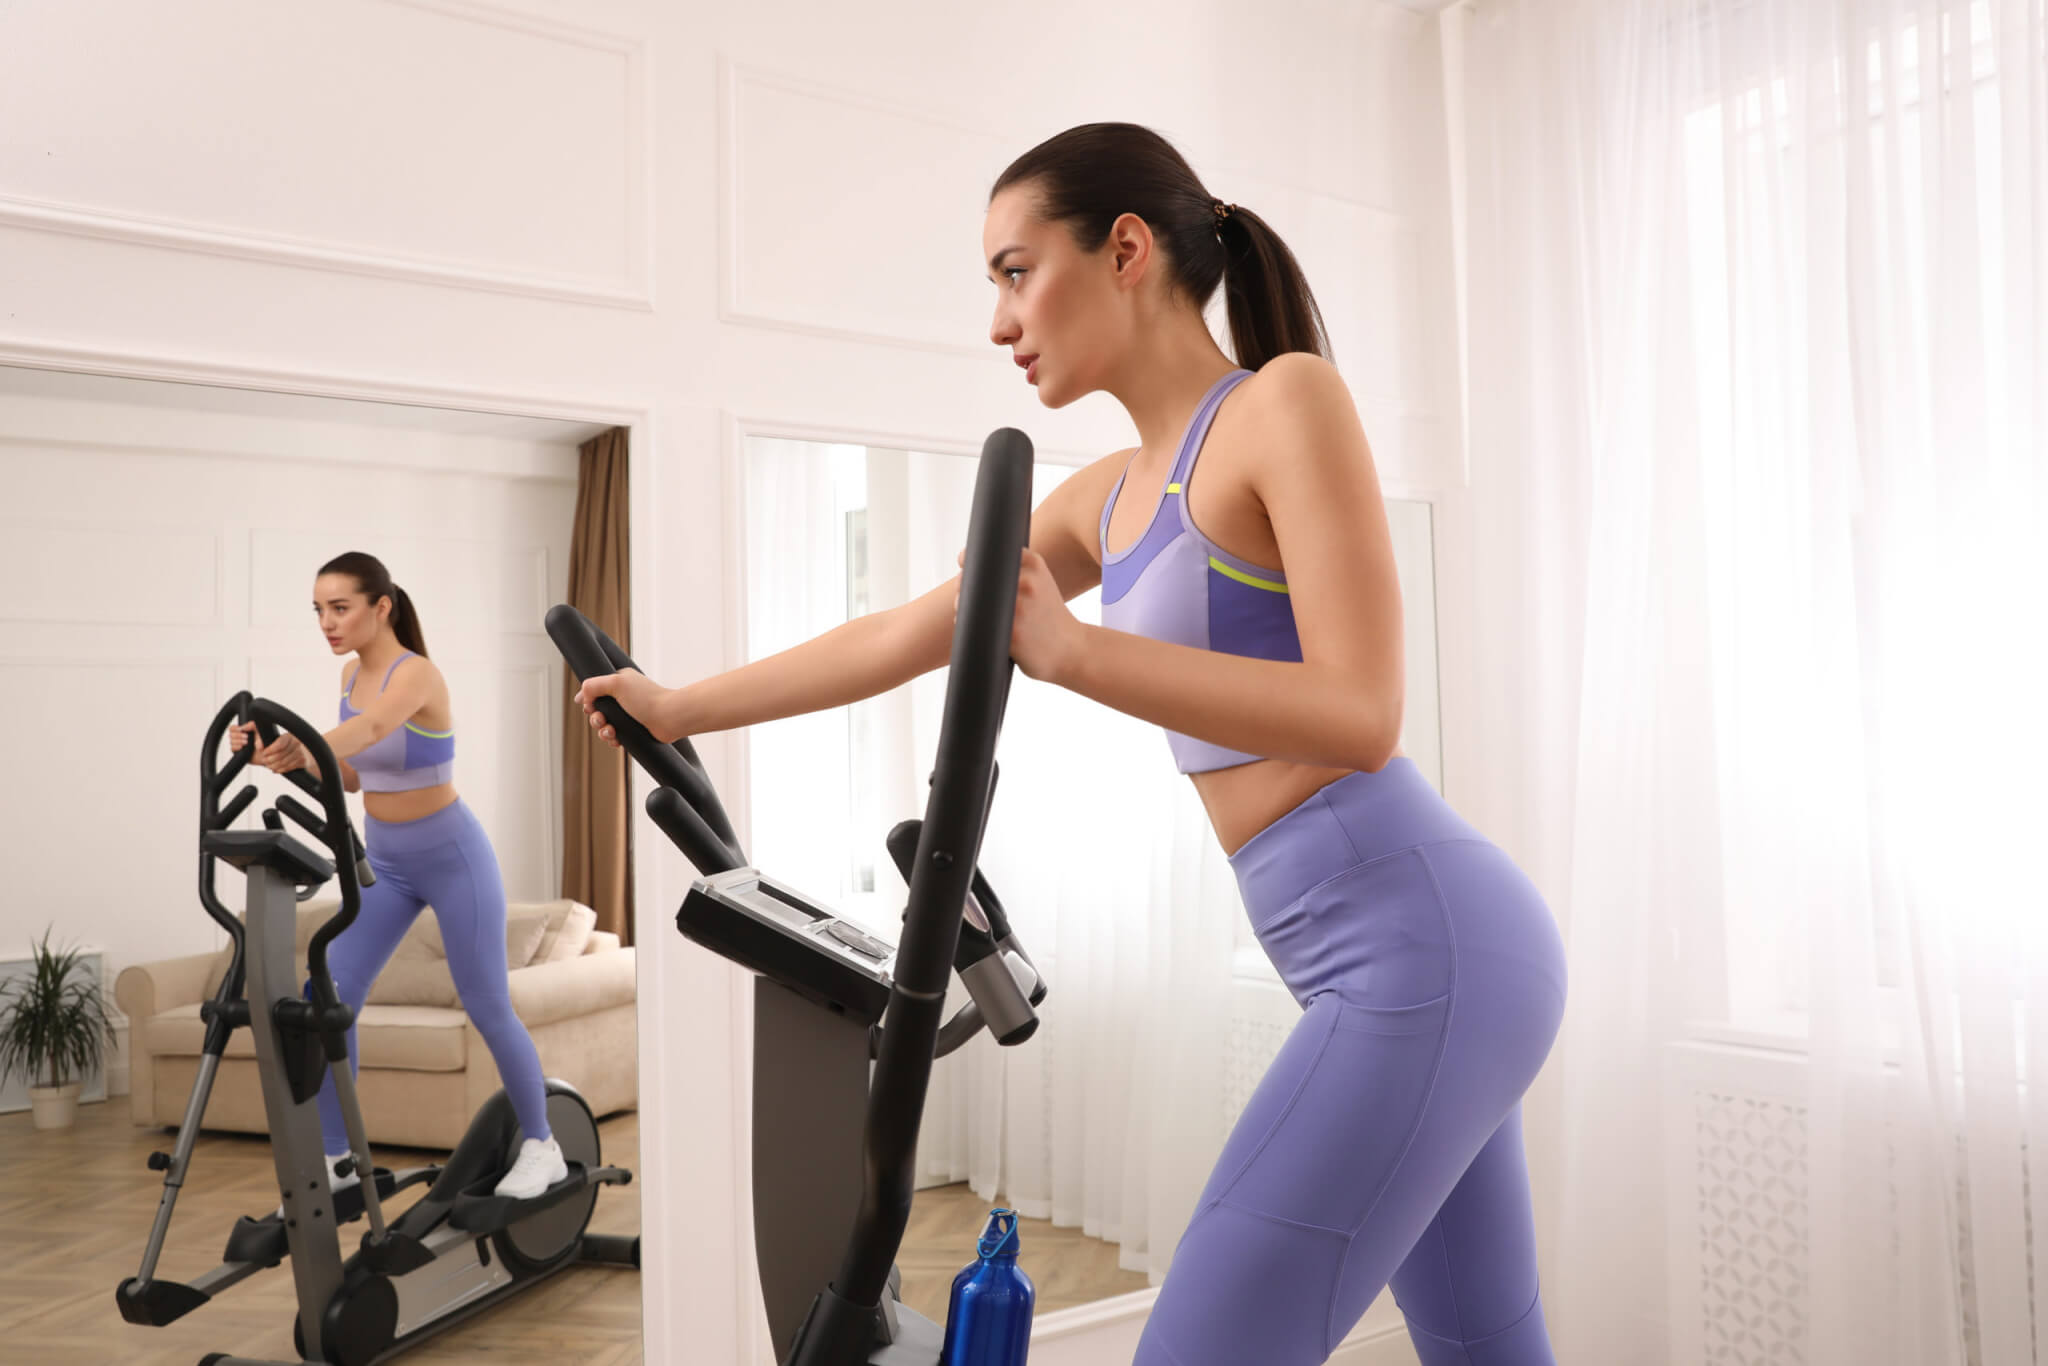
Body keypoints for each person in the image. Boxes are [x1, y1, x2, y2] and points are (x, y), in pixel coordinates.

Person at [575, 123, 1567, 1366]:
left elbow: (1362, 712)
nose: (998, 321)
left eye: (1012, 269)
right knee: (1486, 1348)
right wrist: (680, 706)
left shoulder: (1280, 403)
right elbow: (905, 629)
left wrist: (1079, 653)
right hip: (1371, 957)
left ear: (1126, 251)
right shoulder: (1106, 492)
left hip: (1425, 944)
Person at [234, 551, 567, 1202]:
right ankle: (338, 1158)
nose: (326, 623)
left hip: (452, 856)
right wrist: (280, 758)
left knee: (487, 1003)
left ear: (380, 607)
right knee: (331, 996)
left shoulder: (416, 675)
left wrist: (307, 742)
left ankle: (542, 1144)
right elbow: (355, 774)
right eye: (318, 611)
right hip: (385, 860)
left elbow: (376, 727)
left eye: (340, 608)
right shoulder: (351, 678)